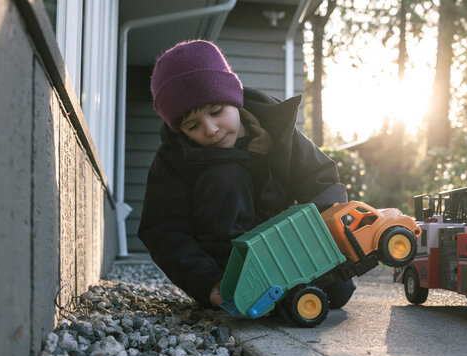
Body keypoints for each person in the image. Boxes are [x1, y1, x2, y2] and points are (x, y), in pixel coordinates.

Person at [138, 40, 355, 310]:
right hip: (224, 266)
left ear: (235, 98)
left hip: (284, 247)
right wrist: (207, 283)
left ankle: (284, 286)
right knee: (224, 174)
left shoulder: (276, 128)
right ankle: (242, 282)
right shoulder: (173, 159)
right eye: (193, 126)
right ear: (180, 131)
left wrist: (318, 230)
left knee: (339, 291)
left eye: (217, 112)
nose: (211, 129)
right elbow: (163, 229)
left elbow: (321, 178)